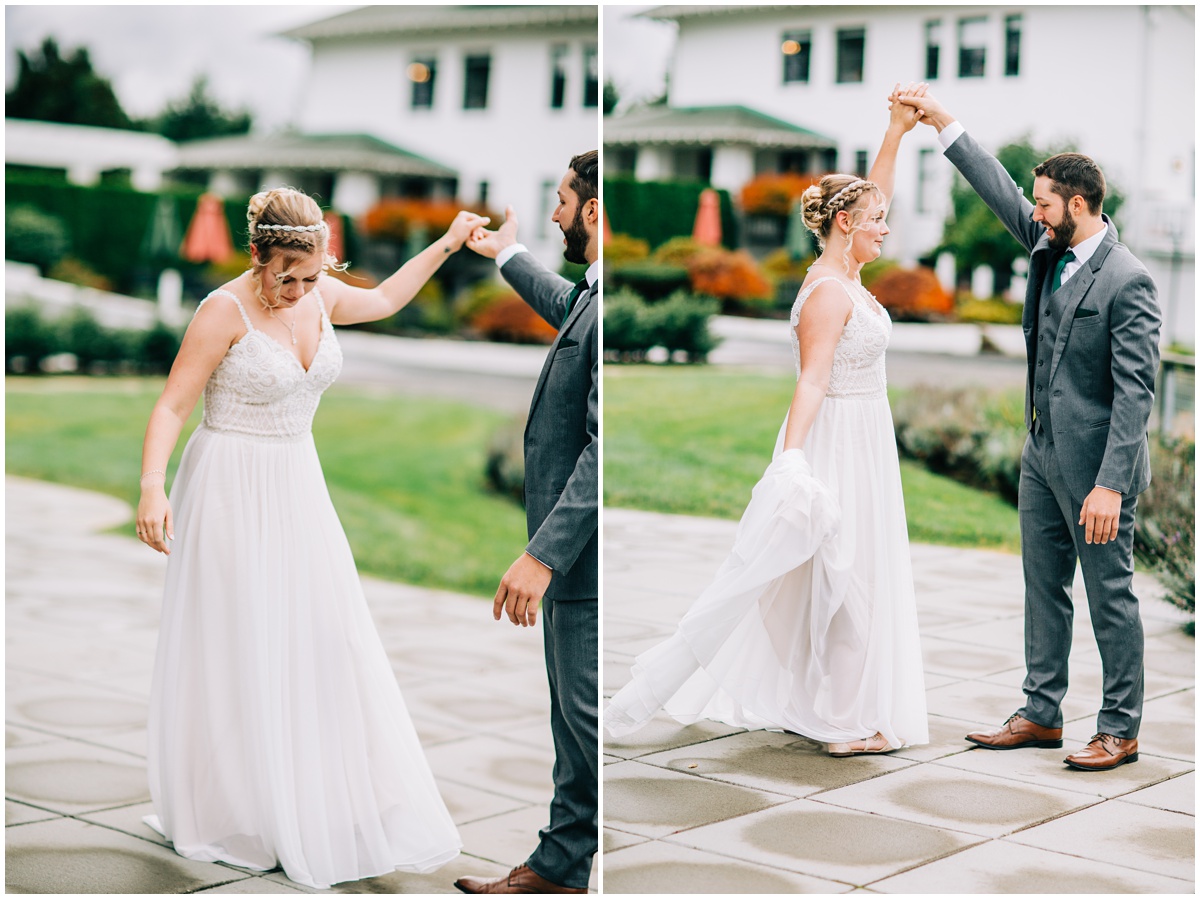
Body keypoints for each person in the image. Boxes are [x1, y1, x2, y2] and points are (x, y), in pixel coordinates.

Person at [135, 187, 489, 888]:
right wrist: (152, 484)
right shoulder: (222, 310)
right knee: (243, 640)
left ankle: (306, 791)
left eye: (311, 274)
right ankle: (241, 804)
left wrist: (448, 243)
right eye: (286, 276)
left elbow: (385, 298)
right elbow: (174, 401)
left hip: (299, 483)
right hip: (230, 483)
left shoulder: (320, 292)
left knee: (321, 637)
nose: (299, 289)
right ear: (257, 256)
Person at [604, 89, 930, 756]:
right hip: (836, 440)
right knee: (843, 577)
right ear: (844, 223)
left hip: (868, 438)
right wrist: (793, 460)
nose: (885, 228)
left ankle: (833, 703)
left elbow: (877, 191)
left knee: (850, 572)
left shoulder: (852, 274)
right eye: (874, 221)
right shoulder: (830, 294)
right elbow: (810, 381)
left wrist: (896, 131)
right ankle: (845, 718)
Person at [897, 91, 1161, 771]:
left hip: (1099, 470)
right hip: (1041, 457)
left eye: (1045, 202)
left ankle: (1120, 727)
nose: (1034, 212)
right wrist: (940, 123)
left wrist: (1108, 484)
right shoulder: (1050, 243)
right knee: (1042, 586)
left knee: (1111, 596)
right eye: (1036, 204)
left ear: (1079, 203)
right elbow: (996, 188)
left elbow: (1136, 393)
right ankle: (1042, 712)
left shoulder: (1129, 281)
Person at [452, 150, 599, 894]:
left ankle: (572, 863)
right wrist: (507, 250)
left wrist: (544, 554)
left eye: (562, 202)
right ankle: (560, 863)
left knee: (586, 718)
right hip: (573, 560)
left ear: (594, 213)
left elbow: (604, 451)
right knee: (575, 721)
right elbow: (568, 309)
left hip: (582, 560)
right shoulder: (595, 295)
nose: (554, 214)